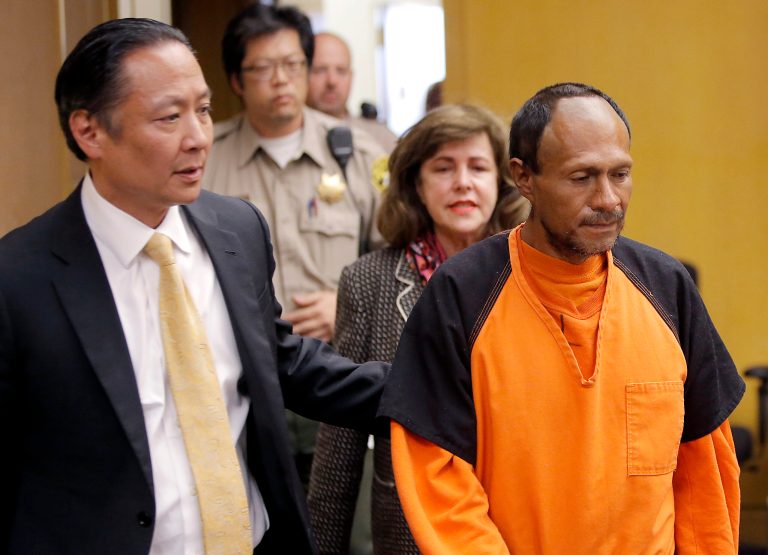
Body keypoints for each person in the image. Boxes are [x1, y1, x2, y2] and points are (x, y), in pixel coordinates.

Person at [0, 18, 388, 555]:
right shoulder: (20, 277)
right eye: (169, 117)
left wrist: (432, 390)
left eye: (203, 110)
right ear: (89, 131)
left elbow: (278, 362)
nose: (198, 137)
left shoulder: (236, 230)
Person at [378, 83, 745, 554]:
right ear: (523, 177)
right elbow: (440, 483)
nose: (609, 199)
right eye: (581, 177)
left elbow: (704, 475)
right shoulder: (461, 296)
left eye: (620, 173)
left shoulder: (666, 288)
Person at [307, 104, 529, 554]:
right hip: (412, 533)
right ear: (416, 185)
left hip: (518, 529)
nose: (462, 182)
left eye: (478, 167)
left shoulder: (534, 275)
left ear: (502, 183)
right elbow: (340, 445)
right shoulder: (367, 282)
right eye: (443, 168)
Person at [203, 3, 387, 488]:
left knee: (346, 521)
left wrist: (346, 306)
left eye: (292, 65)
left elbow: (396, 263)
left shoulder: (359, 154)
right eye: (263, 68)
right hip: (243, 377)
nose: (281, 79)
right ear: (237, 81)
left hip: (337, 369)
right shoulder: (205, 162)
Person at [308, 32, 397, 152]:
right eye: (320, 70)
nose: (332, 81)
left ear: (351, 77)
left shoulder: (382, 140)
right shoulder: (286, 139)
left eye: (341, 71)